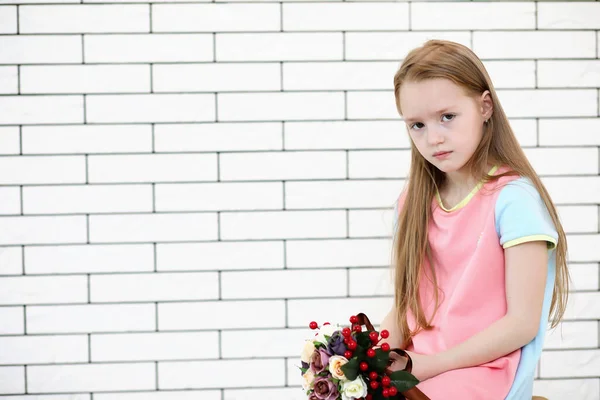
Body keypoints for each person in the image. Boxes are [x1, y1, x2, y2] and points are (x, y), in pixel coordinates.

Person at [378, 40, 570, 399]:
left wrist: (431, 365)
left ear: (484, 107)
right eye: (416, 125)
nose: (433, 137)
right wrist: (363, 354)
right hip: (420, 366)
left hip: (484, 373)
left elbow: (521, 323)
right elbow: (406, 308)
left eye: (447, 117)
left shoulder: (513, 200)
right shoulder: (411, 204)